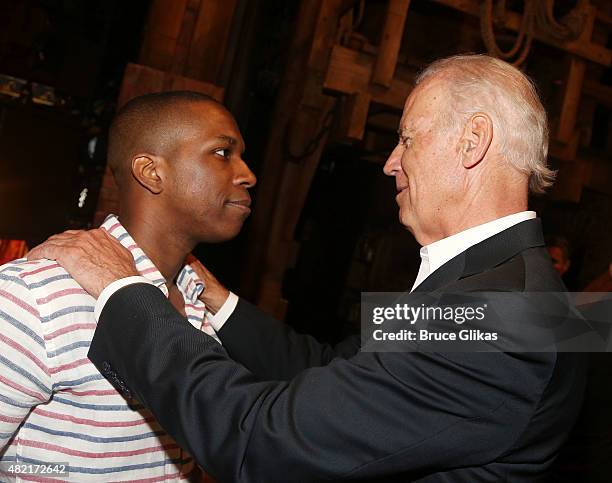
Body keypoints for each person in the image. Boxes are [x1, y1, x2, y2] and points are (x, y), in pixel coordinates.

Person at [29, 55, 588, 482]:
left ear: (473, 142)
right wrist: (218, 304)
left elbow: (258, 437)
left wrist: (125, 293)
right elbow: (324, 368)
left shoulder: (494, 319)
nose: (391, 162)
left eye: (407, 138)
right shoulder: (496, 290)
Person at [0, 91, 255, 481]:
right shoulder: (35, 297)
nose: (247, 174)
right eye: (222, 152)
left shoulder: (199, 303)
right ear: (152, 172)